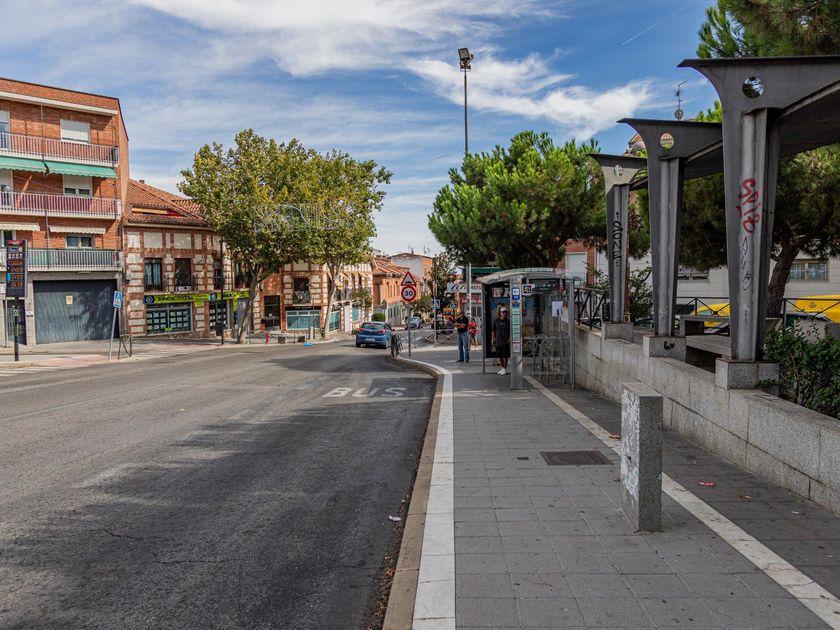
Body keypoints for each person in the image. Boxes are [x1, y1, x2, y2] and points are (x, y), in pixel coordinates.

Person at [492, 307, 511, 375]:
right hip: (498, 341)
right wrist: (493, 339)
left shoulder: (508, 321)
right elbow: (493, 330)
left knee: (505, 356)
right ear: (500, 313)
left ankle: (505, 369)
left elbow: (510, 331)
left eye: (505, 312)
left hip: (505, 341)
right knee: (499, 356)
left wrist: (509, 339)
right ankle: (502, 368)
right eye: (503, 312)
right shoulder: (496, 321)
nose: (504, 313)